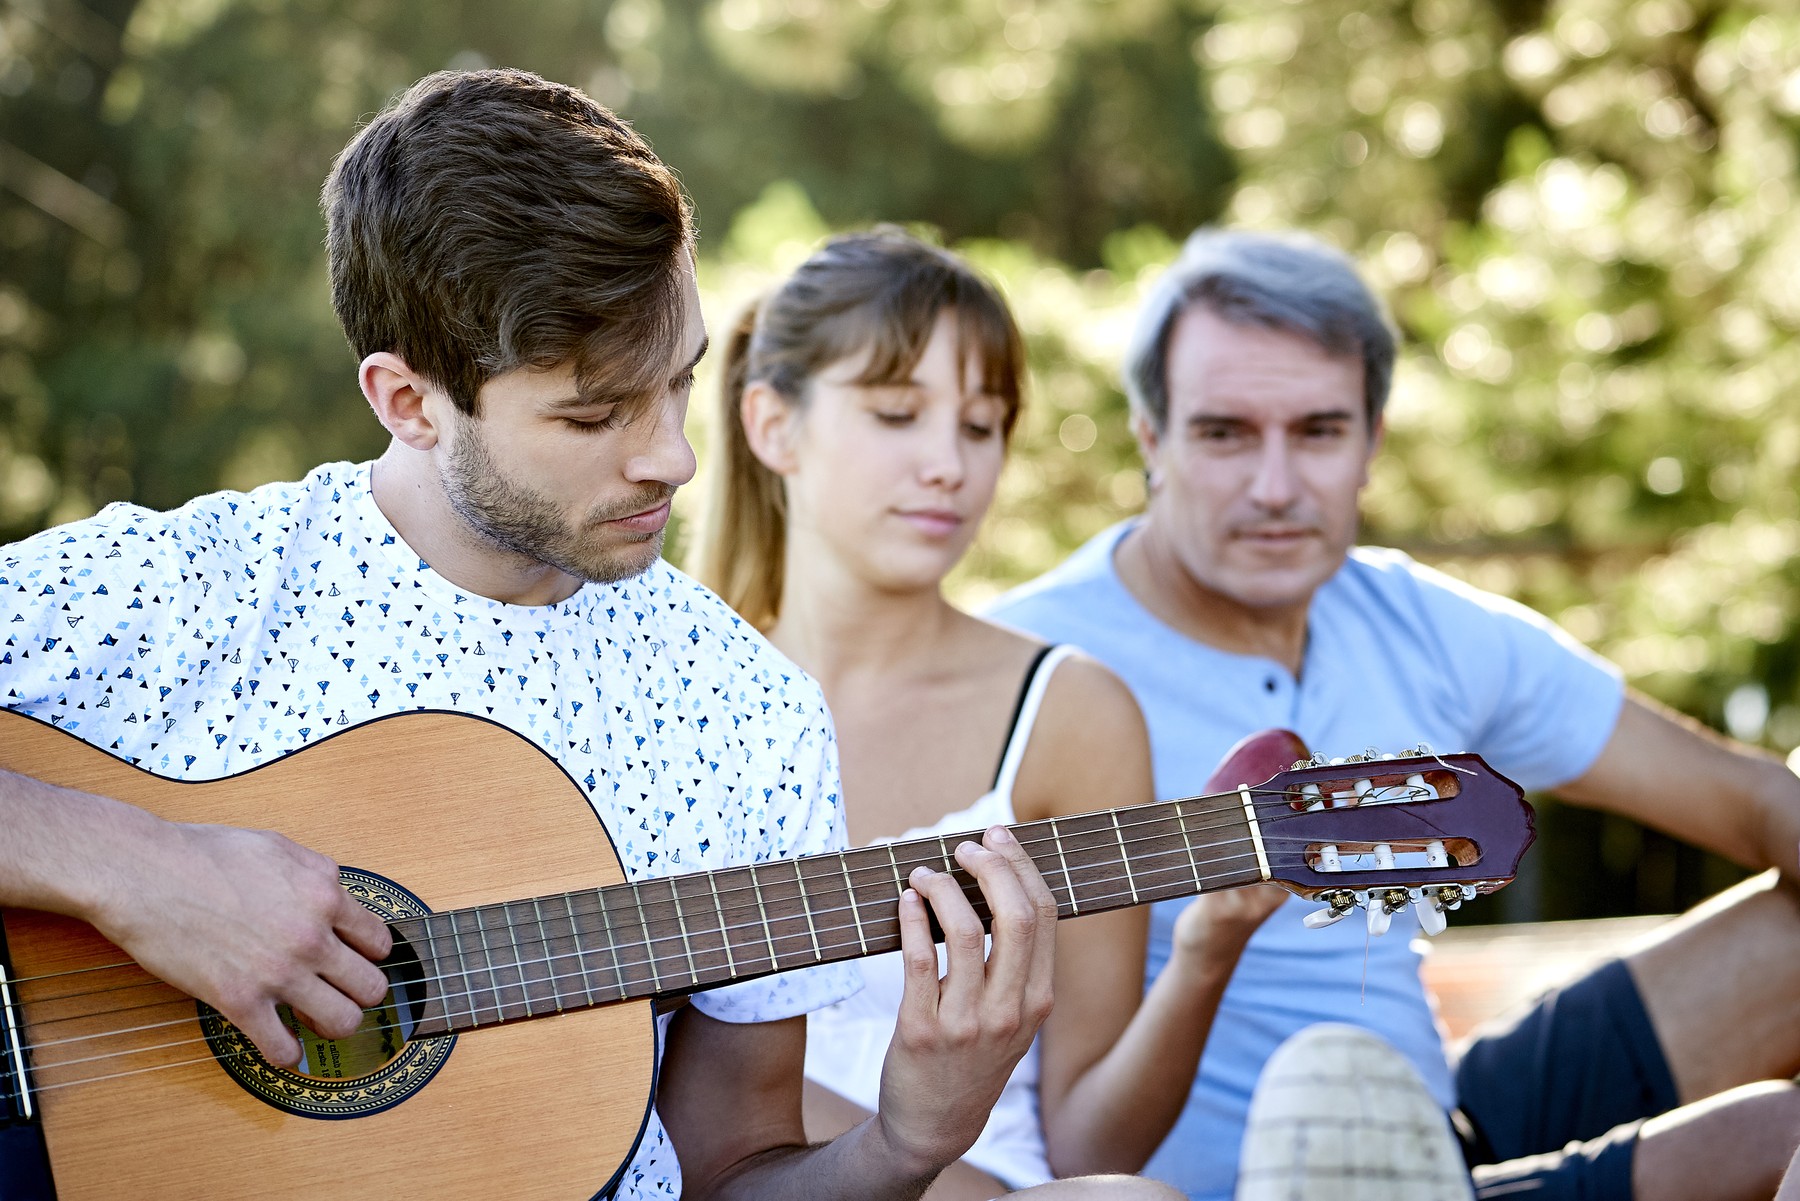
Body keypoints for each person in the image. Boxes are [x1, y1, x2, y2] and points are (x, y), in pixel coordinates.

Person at [0, 69, 1160, 1201]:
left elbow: (729, 1169)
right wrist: (136, 870)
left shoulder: (739, 709)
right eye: (596, 412)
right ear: (407, 401)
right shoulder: (184, 593)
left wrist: (909, 1141)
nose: (673, 456)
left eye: (680, 384)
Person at [988, 228, 1800, 1201]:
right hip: (1222, 1183)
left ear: (1371, 441)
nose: (1276, 486)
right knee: (1768, 1142)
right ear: (1152, 439)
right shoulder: (1023, 669)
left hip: (1440, 1130)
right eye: (1225, 432)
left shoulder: (1422, 621)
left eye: (1319, 431)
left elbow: (1754, 801)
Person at [692, 227, 1278, 1200]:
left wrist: (1207, 954)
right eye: (896, 413)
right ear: (771, 424)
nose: (948, 466)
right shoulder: (662, 697)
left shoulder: (1068, 709)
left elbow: (1092, 1145)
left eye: (981, 424)